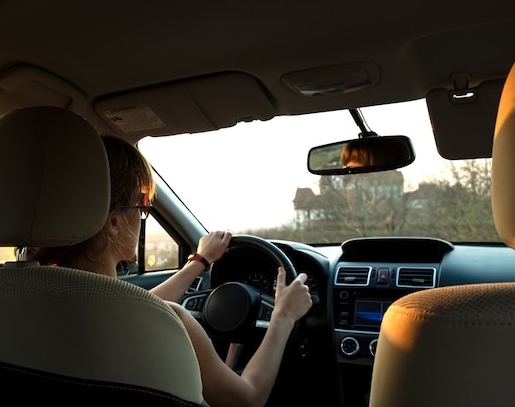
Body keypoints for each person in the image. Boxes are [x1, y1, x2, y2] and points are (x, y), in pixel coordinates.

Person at [28, 135, 313, 407]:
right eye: (141, 205)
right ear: (114, 221)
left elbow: (138, 303)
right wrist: (283, 315)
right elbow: (246, 399)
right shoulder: (165, 323)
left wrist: (199, 261)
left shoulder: (14, 297)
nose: (142, 216)